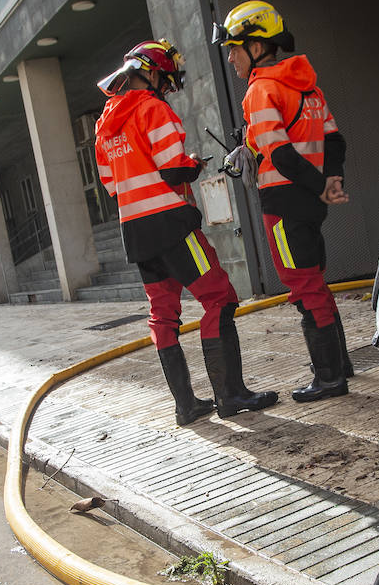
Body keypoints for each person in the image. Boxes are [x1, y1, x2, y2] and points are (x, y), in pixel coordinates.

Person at [94, 39, 278, 425]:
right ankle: (231, 396)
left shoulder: (104, 124)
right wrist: (192, 164)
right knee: (220, 298)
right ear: (155, 73)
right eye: (167, 77)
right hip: (172, 224)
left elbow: (111, 184)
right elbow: (172, 170)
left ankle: (186, 406)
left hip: (135, 231)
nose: (168, 85)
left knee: (162, 316)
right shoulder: (153, 110)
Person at [213, 0, 353, 403]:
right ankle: (340, 366)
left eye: (234, 48)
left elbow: (282, 156)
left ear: (256, 46)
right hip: (311, 203)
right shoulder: (307, 85)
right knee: (316, 282)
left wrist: (317, 185)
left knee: (303, 286)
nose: (231, 58)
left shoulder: (260, 90)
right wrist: (329, 185)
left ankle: (329, 379)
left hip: (285, 202)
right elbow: (333, 141)